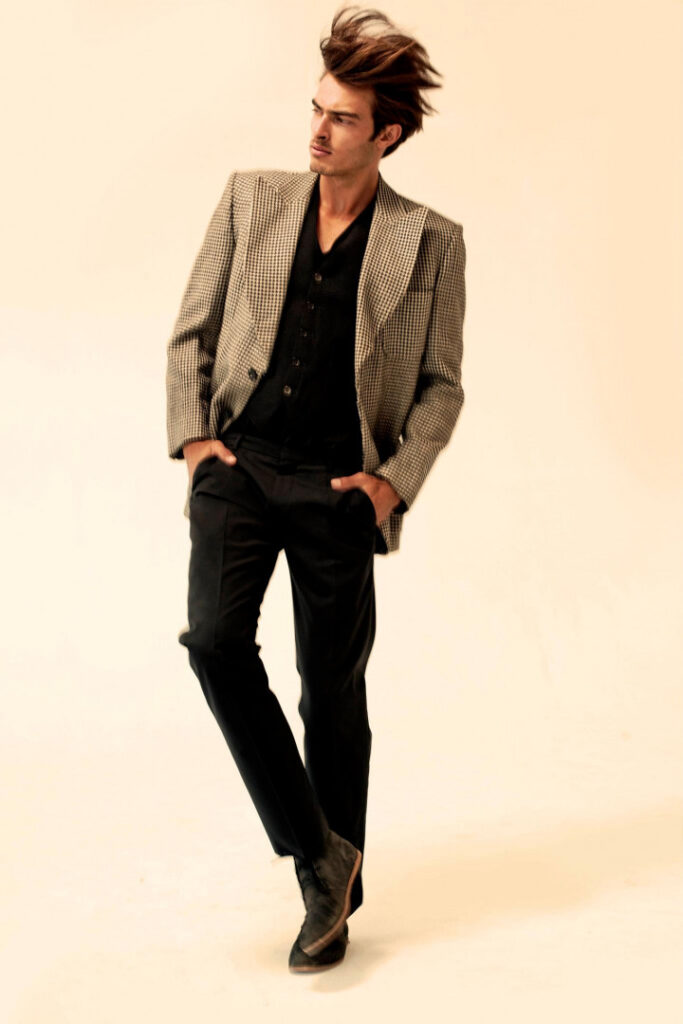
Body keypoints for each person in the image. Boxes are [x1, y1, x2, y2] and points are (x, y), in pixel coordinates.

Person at [165, 6, 466, 973]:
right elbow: (192, 329)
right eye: (316, 109)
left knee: (331, 694)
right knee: (215, 644)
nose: (318, 130)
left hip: (339, 486)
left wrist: (389, 485)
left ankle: (326, 902)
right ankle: (320, 855)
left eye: (342, 118)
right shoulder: (250, 198)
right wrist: (196, 441)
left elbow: (441, 386)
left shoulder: (428, 241)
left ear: (387, 134)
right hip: (241, 466)